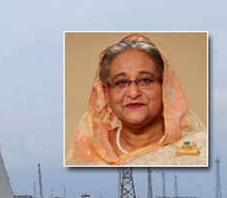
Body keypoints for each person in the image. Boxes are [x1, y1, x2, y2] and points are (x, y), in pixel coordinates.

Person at [66, 33, 207, 166]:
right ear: (106, 94)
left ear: (165, 87)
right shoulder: (87, 153)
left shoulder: (197, 151)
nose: (133, 93)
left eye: (145, 80)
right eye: (121, 82)